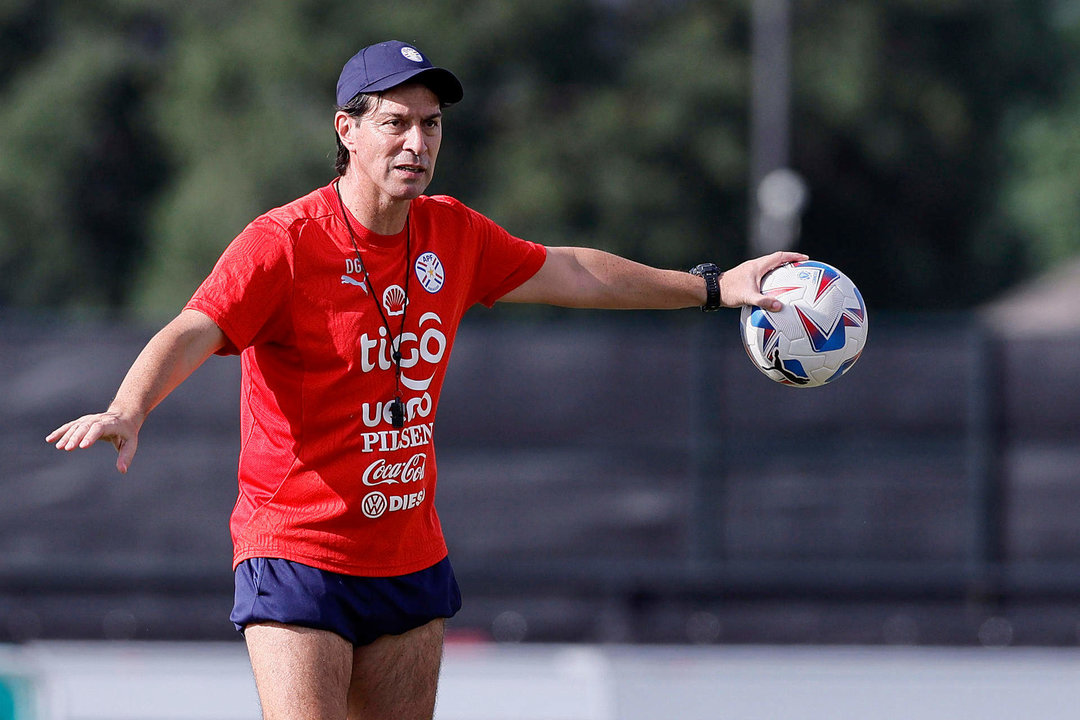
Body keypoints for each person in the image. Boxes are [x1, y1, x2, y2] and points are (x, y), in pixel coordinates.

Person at [47, 40, 806, 720]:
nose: (417, 141)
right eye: (396, 123)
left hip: (408, 556)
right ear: (347, 131)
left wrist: (709, 287)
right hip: (295, 550)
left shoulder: (454, 232)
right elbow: (193, 327)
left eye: (431, 124)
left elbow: (572, 270)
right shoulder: (282, 244)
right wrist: (128, 406)